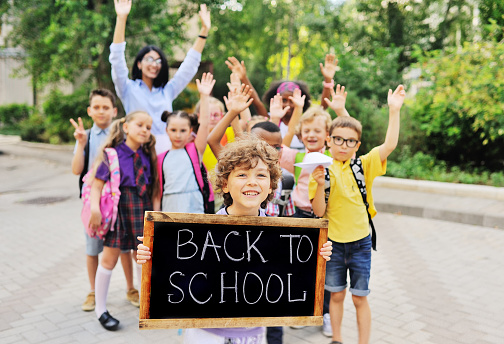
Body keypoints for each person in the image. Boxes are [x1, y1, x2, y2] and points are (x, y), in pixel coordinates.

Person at [137, 136, 333, 343]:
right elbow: (172, 276)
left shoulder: (282, 236)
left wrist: (316, 257)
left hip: (253, 335)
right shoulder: (201, 233)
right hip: (205, 334)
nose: (252, 181)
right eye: (242, 174)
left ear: (270, 187)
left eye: (261, 175)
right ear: (225, 184)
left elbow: (291, 278)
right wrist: (150, 257)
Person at [309, 85, 406, 344]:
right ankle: (337, 339)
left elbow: (389, 144)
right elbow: (318, 212)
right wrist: (319, 185)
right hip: (334, 245)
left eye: (350, 141)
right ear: (328, 139)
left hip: (361, 242)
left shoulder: (364, 164)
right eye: (338, 139)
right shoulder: (320, 169)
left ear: (357, 145)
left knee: (360, 297)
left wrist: (394, 111)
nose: (343, 145)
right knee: (337, 296)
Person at [88, 110, 160, 331]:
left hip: (143, 210)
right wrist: (94, 210)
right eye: (140, 125)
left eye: (148, 127)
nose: (145, 130)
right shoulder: (112, 154)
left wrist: (156, 217)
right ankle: (101, 309)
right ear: (126, 127)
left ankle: (146, 305)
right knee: (108, 259)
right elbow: (97, 184)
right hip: (120, 210)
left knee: (144, 258)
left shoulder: (148, 155)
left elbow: (155, 190)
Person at [110, 0, 211, 152]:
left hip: (164, 152)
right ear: (139, 63)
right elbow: (117, 59)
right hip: (137, 150)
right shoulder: (128, 88)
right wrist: (121, 18)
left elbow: (188, 67)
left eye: (158, 61)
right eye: (149, 59)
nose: (155, 64)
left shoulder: (167, 91)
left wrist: (204, 31)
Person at [70, 89, 139, 311]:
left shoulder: (121, 136)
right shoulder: (85, 136)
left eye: (106, 107)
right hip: (94, 201)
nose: (101, 111)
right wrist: (80, 144)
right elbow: (76, 170)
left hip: (118, 200)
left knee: (124, 247)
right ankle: (93, 291)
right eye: (96, 107)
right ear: (90, 111)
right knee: (93, 248)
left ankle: (131, 288)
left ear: (114, 111)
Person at [156, 73, 215, 213]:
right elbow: (158, 191)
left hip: (195, 207)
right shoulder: (160, 158)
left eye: (183, 130)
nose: (178, 135)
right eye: (173, 130)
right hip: (169, 208)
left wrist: (204, 96)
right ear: (166, 130)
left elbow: (205, 124)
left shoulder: (195, 150)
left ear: (190, 131)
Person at [225, 56, 311, 149]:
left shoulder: (306, 121)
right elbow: (257, 103)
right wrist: (244, 78)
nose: (287, 104)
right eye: (284, 100)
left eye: (292, 100)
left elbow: (291, 131)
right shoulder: (269, 118)